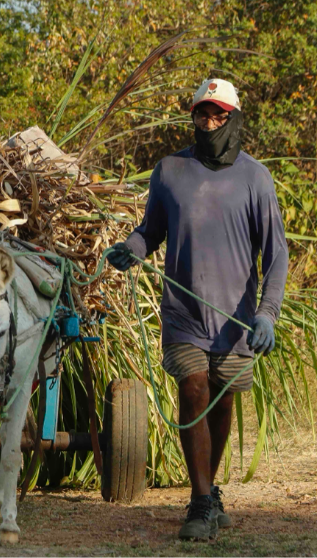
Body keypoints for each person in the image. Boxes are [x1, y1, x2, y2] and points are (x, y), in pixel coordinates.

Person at [107, 78, 288, 541]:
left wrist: (266, 313)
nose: (208, 122)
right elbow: (151, 231)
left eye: (218, 115)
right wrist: (133, 247)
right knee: (193, 388)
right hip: (183, 313)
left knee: (223, 396)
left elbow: (277, 253)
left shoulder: (255, 177)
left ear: (234, 118)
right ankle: (201, 499)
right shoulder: (169, 171)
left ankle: (210, 490)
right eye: (202, 114)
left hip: (235, 318)